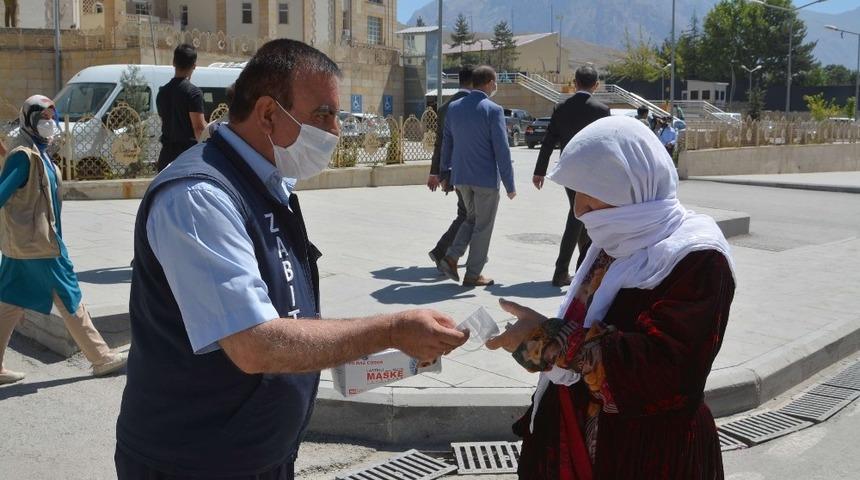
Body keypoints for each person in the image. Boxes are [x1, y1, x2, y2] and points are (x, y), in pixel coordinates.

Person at [115, 39, 468, 479]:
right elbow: (254, 343)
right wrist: (390, 329)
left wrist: (378, 351)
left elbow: (287, 312)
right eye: (323, 114)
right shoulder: (200, 197)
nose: (336, 131)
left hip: (258, 455)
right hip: (195, 462)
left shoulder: (265, 184)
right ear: (267, 114)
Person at [486, 115, 735, 479]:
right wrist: (533, 339)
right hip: (573, 437)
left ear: (632, 184)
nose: (579, 209)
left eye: (592, 191)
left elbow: (671, 371)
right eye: (575, 193)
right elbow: (587, 325)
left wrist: (552, 339)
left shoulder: (697, 259)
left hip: (648, 455)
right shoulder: (613, 238)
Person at [0, 95, 127, 386]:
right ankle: (100, 357)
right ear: (29, 120)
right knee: (69, 296)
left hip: (28, 243)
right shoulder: (24, 154)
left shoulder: (39, 151)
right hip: (40, 245)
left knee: (9, 303)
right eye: (41, 117)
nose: (48, 122)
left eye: (50, 116)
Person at [437, 65, 516, 287]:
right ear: (490, 83)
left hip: (461, 177)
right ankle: (473, 274)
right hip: (485, 180)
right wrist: (510, 184)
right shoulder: (493, 110)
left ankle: (451, 257)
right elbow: (502, 149)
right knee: (483, 225)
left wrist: (445, 171)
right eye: (496, 81)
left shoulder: (454, 107)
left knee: (471, 219)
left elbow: (447, 142)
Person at [532, 65, 610, 287]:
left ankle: (584, 267)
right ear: (596, 85)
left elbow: (548, 141)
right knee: (578, 218)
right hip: (593, 174)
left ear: (574, 83)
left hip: (569, 172)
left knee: (581, 218)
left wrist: (539, 171)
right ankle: (562, 271)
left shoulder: (561, 107)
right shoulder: (602, 110)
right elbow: (608, 145)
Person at [427, 66, 473, 272]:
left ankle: (447, 252)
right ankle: (443, 252)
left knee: (465, 213)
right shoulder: (471, 105)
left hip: (450, 168)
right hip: (468, 169)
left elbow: (440, 143)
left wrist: (436, 172)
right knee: (468, 215)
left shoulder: (446, 106)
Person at [155, 43, 206, 171]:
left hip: (166, 157)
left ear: (173, 62)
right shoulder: (193, 93)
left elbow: (165, 121)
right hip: (187, 158)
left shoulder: (162, 92)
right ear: (194, 66)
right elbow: (199, 128)